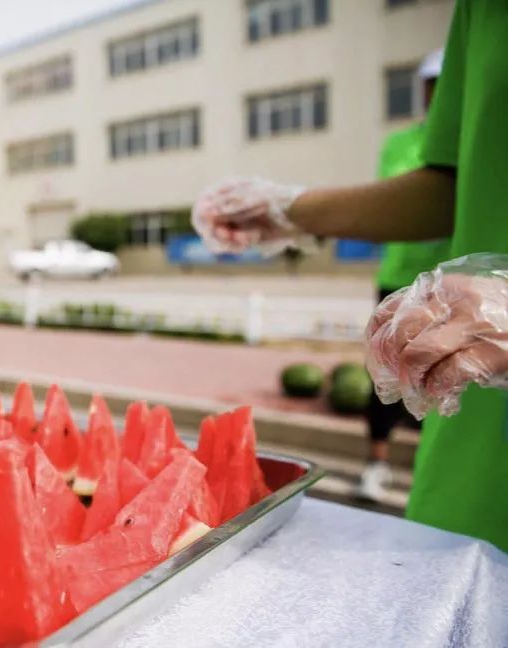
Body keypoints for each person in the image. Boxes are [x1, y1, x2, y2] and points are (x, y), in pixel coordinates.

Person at [191, 0, 508, 552]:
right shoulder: (478, 11)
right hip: (475, 430)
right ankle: (377, 463)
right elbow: (453, 184)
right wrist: (289, 208)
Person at [357, 49, 450, 503]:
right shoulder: (401, 144)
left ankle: (433, 473)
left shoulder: (478, 140)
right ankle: (376, 464)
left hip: (453, 286)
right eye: (431, 84)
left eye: (445, 83)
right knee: (385, 376)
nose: (437, 93)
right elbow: (396, 206)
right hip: (399, 280)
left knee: (445, 380)